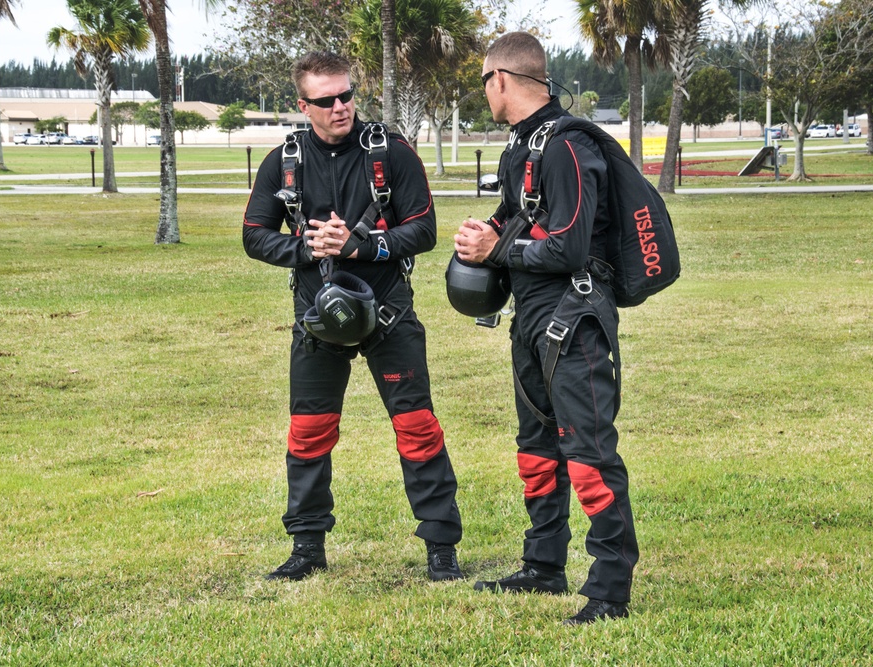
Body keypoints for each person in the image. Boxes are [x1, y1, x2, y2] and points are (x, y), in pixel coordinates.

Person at [243, 51, 463, 582]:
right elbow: (254, 234)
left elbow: (425, 229)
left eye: (347, 95)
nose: (340, 107)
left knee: (417, 427)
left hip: (387, 312)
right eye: (326, 100)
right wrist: (307, 248)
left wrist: (362, 247)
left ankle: (441, 549)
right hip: (317, 317)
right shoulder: (284, 160)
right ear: (303, 105)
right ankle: (306, 547)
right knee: (309, 431)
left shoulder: (390, 151)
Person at [453, 32, 639, 624]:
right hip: (531, 315)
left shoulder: (565, 148)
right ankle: (543, 566)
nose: (484, 92)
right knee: (536, 448)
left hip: (574, 317)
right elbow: (517, 222)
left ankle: (609, 589)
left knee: (586, 452)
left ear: (501, 80)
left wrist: (496, 250)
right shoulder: (520, 149)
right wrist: (484, 234)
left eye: (484, 81)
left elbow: (568, 246)